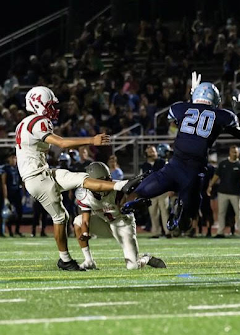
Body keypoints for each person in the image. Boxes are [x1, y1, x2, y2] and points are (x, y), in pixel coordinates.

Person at [15, 86, 136, 271]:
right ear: (37, 104)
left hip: (44, 172)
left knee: (81, 177)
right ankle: (64, 260)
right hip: (36, 177)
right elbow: (61, 143)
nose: (52, 109)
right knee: (61, 216)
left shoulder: (24, 123)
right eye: (49, 105)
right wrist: (91, 140)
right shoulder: (37, 121)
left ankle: (121, 185)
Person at [122, 72, 240, 233]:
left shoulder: (180, 107)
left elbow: (185, 115)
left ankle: (140, 202)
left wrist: (191, 97)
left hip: (173, 167)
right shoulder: (223, 115)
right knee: (186, 223)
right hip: (194, 173)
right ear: (216, 100)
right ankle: (180, 210)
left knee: (135, 193)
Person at [74, 162, 166, 270]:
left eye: (107, 179)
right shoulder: (84, 195)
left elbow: (131, 198)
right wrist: (85, 233)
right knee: (78, 221)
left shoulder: (119, 188)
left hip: (123, 223)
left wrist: (133, 201)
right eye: (100, 181)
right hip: (104, 223)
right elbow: (85, 220)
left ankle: (147, 258)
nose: (105, 183)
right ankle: (89, 261)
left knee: (133, 266)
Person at [207, 145, 240, 238]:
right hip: (223, 192)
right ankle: (220, 232)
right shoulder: (223, 164)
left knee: (239, 213)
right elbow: (216, 176)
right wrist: (210, 186)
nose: (235, 153)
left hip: (235, 193)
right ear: (229, 152)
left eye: (236, 152)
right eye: (233, 152)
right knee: (221, 213)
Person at [141, 145, 170, 238]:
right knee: (153, 213)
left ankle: (168, 232)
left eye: (153, 151)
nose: (152, 153)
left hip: (162, 191)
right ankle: (156, 232)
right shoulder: (144, 166)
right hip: (151, 192)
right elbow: (141, 179)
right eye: (150, 152)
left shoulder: (162, 162)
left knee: (165, 212)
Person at [1, 152, 24, 237]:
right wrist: (5, 197)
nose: (14, 160)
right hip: (10, 193)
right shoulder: (6, 168)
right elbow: (4, 183)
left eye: (15, 158)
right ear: (9, 159)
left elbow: (22, 181)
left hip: (17, 192)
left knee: (20, 212)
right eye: (12, 158)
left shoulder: (19, 168)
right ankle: (10, 231)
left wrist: (24, 194)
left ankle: (17, 230)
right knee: (9, 213)